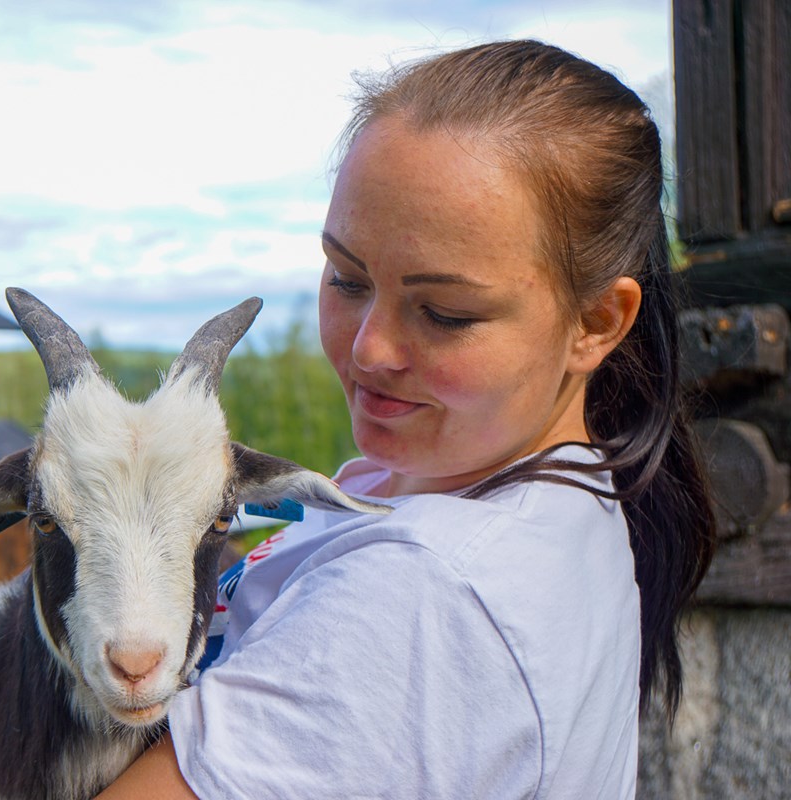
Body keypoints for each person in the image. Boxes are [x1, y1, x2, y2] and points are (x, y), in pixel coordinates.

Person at [98, 39, 716, 799]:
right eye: (346, 278)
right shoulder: (551, 491)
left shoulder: (428, 592)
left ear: (595, 321)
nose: (369, 348)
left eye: (445, 313)